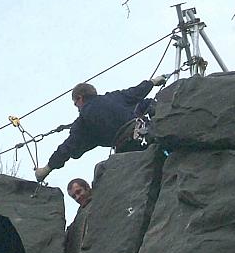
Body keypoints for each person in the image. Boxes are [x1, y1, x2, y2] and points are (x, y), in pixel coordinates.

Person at [34, 75, 168, 183]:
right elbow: (136, 91)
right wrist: (153, 81)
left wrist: (47, 169)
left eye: (76, 104)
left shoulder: (84, 120)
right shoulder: (114, 97)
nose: (78, 108)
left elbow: (68, 147)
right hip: (149, 133)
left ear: (80, 98)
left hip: (131, 150)